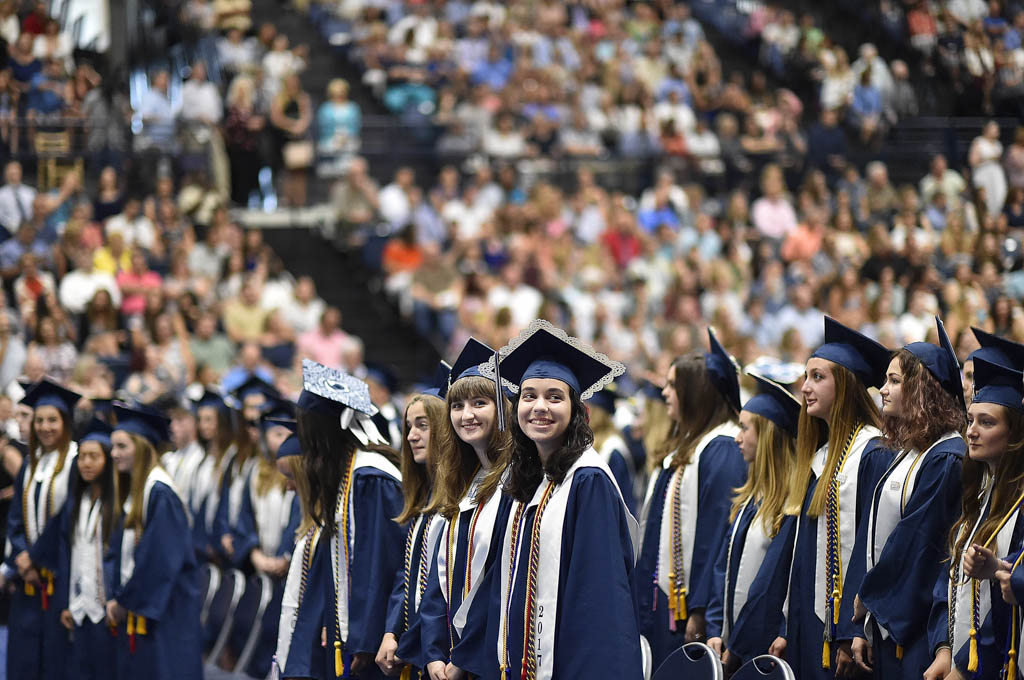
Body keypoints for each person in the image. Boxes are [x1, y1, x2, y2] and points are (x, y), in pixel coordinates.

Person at [450, 319, 641, 679]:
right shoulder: (523, 481)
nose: (540, 407)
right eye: (529, 396)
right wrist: (466, 657)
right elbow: (497, 580)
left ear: (576, 410)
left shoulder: (588, 482)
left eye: (555, 397)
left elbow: (598, 598)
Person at [776, 317, 895, 680]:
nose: (805, 387)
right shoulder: (821, 456)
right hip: (808, 624)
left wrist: (852, 631)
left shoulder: (873, 453)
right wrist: (787, 628)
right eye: (806, 377)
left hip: (843, 631)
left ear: (844, 386)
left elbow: (871, 548)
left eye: (817, 377)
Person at [854, 318, 967, 680]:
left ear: (921, 391)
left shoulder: (946, 456)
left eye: (894, 381)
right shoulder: (911, 452)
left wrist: (870, 597)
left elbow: (918, 540)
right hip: (893, 619)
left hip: (920, 625)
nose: (882, 390)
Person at [399, 339, 515, 680]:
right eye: (457, 405)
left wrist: (463, 659)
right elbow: (439, 576)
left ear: (504, 409)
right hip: (448, 658)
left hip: (490, 656)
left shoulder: (516, 483)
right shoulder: (464, 483)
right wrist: (432, 652)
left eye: (480, 403)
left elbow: (499, 581)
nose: (466, 415)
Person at [635, 328, 748, 668]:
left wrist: (700, 609)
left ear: (695, 393)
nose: (665, 392)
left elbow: (716, 536)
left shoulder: (722, 448)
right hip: (663, 600)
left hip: (686, 609)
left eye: (673, 385)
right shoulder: (689, 446)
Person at [297, 359, 404, 679]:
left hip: (372, 642)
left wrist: (364, 637)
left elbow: (382, 564)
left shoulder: (371, 478)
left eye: (307, 427)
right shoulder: (345, 475)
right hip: (349, 629)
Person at [706, 372, 801, 674]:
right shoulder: (749, 498)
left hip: (762, 651)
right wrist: (715, 629)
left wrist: (739, 644)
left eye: (745, 429)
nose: (737, 437)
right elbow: (722, 567)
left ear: (768, 436)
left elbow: (770, 588)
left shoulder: (790, 506)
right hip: (729, 645)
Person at [105, 404, 202, 679]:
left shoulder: (161, 492)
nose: (114, 454)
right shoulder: (139, 490)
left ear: (142, 447)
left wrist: (125, 601)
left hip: (166, 612)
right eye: (114, 446)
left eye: (122, 446)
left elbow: (158, 560)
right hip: (144, 608)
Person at [4, 379, 81, 680]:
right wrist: (22, 557)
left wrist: (36, 557)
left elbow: (67, 518)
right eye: (39, 420)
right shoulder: (31, 463)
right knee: (24, 656)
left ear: (65, 422)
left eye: (53, 420)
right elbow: (15, 519)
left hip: (60, 575)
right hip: (29, 580)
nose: (45, 427)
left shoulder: (76, 461)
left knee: (55, 658)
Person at [376, 364, 449, 678]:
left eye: (422, 425)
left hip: (442, 649)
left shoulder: (457, 499)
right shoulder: (422, 497)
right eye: (408, 426)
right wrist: (392, 630)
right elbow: (407, 573)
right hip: (415, 645)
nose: (412, 436)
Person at [224, 398, 301, 677]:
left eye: (287, 433)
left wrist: (283, 558)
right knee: (249, 630)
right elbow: (244, 520)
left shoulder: (298, 473)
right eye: (276, 433)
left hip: (287, 571)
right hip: (260, 567)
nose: (282, 439)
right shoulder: (254, 472)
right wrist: (255, 554)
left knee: (274, 634)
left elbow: (299, 519)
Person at [57, 419, 118, 680]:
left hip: (106, 611)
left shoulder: (117, 505)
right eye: (82, 456)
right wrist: (70, 602)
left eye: (94, 456)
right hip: (80, 608)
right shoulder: (77, 502)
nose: (86, 463)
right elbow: (74, 555)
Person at [191, 388, 237, 562]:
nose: (203, 425)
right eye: (200, 420)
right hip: (202, 544)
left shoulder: (231, 457)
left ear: (222, 421)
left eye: (209, 420)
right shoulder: (203, 458)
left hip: (219, 546)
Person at [588, 386, 639, 516]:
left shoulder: (613, 449)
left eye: (589, 410)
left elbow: (621, 497)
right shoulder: (592, 443)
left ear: (598, 414)